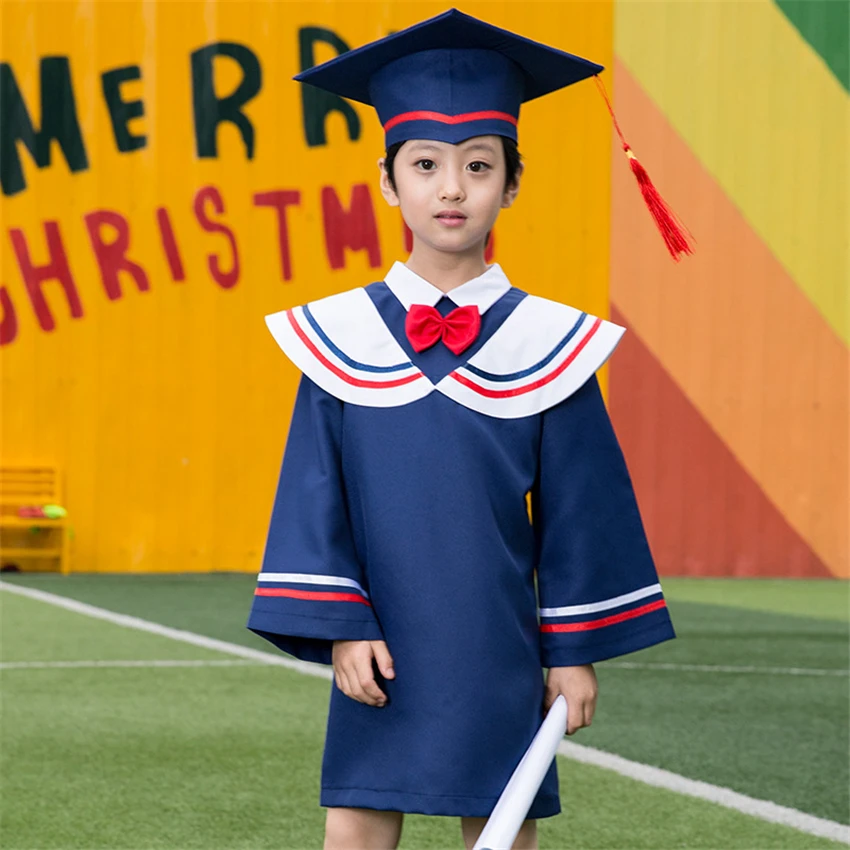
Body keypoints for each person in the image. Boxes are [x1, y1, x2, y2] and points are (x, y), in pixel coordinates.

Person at [247, 9, 677, 850]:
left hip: (498, 645)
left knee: (504, 823)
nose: (452, 188)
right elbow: (314, 496)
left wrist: (573, 652)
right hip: (380, 643)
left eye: (478, 166)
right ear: (387, 180)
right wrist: (343, 626)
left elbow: (581, 518)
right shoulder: (339, 341)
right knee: (357, 823)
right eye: (426, 165)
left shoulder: (551, 346)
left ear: (512, 183)